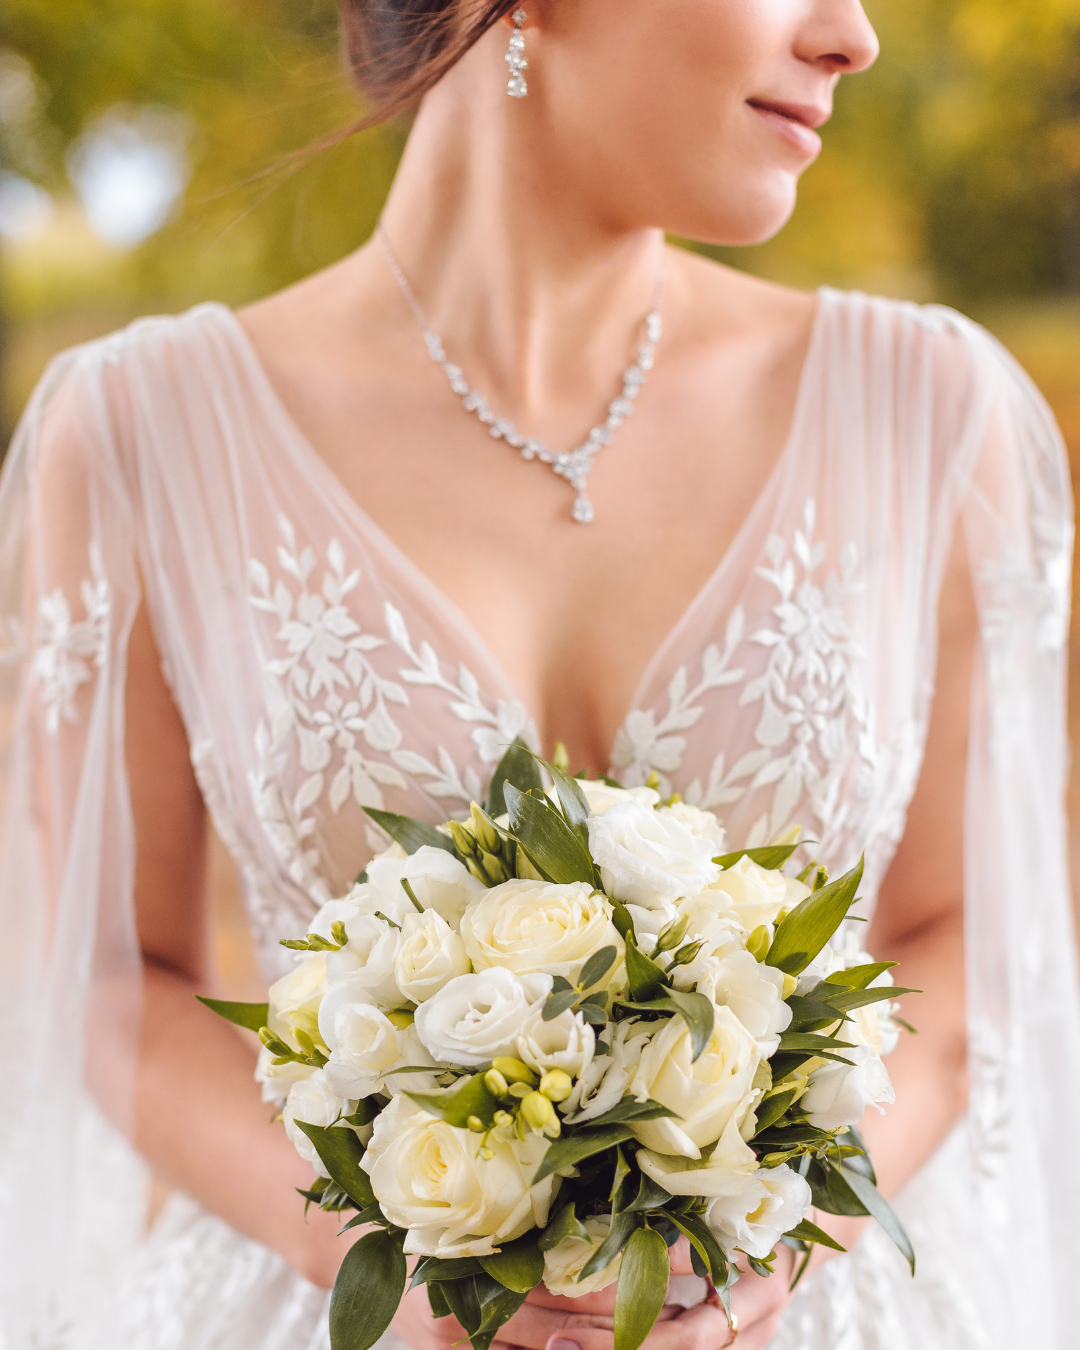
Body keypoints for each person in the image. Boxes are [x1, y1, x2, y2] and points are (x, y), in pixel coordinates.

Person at [1, 1, 1077, 1347]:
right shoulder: (142, 436)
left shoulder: (928, 412)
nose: (852, 36)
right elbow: (109, 975)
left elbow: (968, 937)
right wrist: (376, 1259)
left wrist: (789, 1235)